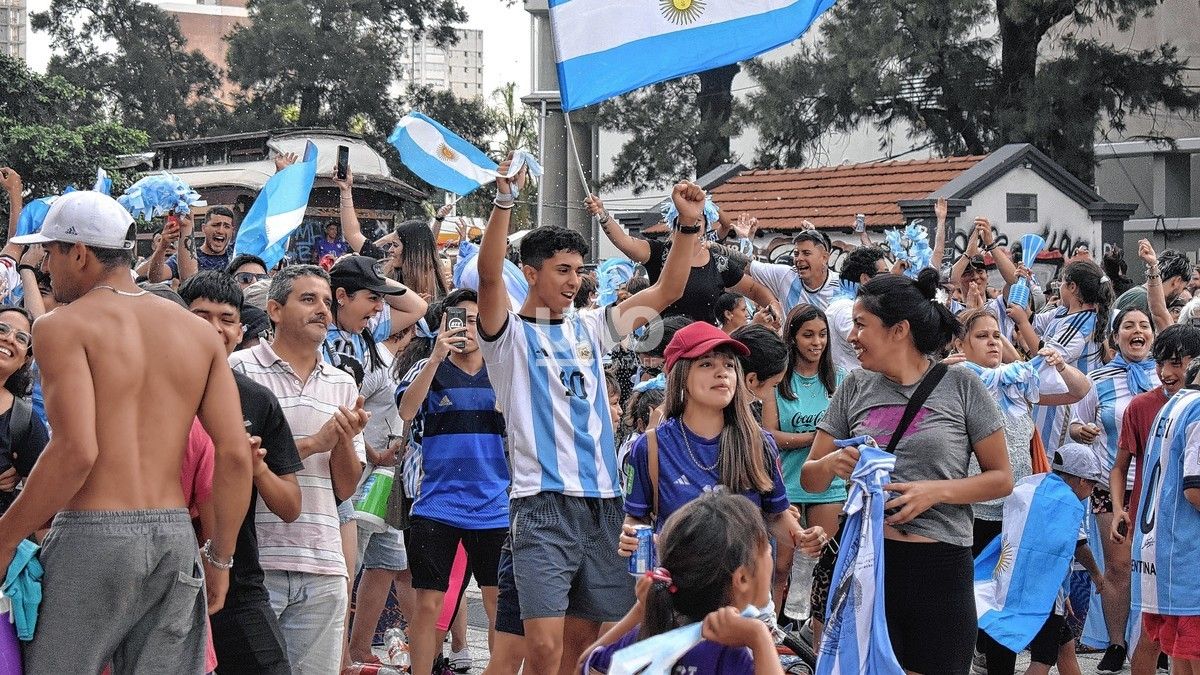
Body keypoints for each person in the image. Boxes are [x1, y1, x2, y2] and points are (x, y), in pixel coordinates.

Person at [0, 191, 252, 672]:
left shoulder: (62, 326)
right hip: (174, 536)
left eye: (49, 253)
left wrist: (5, 536)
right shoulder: (198, 333)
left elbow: (76, 451)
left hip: (94, 536)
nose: (47, 267)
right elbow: (235, 455)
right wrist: (221, 558)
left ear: (79, 252)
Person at [477, 161, 702, 674]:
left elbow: (667, 291)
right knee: (543, 651)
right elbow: (490, 273)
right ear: (531, 273)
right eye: (563, 270)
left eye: (580, 271)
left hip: (604, 503)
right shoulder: (507, 335)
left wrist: (689, 224)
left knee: (583, 649)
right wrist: (505, 201)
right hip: (542, 504)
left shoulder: (592, 327)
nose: (575, 281)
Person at [803, 268, 1012, 675]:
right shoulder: (854, 387)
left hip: (940, 567)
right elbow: (812, 477)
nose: (850, 337)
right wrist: (832, 464)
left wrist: (934, 493)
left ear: (898, 330)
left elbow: (1001, 478)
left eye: (861, 325)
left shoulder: (962, 386)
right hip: (869, 566)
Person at [228, 264, 369, 674]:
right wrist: (313, 443)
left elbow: (345, 486)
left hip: (323, 561)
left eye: (327, 302)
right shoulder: (239, 370)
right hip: (256, 563)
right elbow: (233, 459)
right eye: (308, 300)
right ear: (274, 309)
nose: (322, 310)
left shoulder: (343, 383)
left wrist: (343, 439)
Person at [179, 271, 304, 674]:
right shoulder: (146, 390)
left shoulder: (257, 401)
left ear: (239, 330)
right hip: (163, 571)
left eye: (226, 319)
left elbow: (290, 506)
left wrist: (256, 468)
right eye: (200, 315)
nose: (214, 329)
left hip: (237, 575)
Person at [397, 288, 509, 675]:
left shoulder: (504, 368)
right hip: (436, 503)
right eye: (458, 320)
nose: (468, 329)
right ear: (444, 323)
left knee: (498, 605)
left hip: (495, 504)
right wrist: (435, 357)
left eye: (477, 320)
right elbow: (407, 411)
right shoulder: (428, 366)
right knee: (428, 603)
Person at [579, 493, 788, 675]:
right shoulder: (731, 651)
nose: (770, 556)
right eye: (767, 551)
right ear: (741, 579)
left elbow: (584, 665)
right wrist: (759, 639)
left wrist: (640, 611)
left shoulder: (651, 633)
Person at [1067, 306, 1159, 671]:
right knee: (1119, 569)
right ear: (1115, 335)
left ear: (1152, 334)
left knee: (1159, 567)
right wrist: (1082, 431)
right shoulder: (1098, 379)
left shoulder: (1165, 376)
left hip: (1157, 491)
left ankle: (1158, 644)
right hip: (1110, 487)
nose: (1137, 331)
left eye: (1144, 326)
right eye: (1128, 326)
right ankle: (1117, 643)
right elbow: (1074, 423)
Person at [1110, 324, 1200, 675]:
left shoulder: (1173, 405)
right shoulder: (1188, 407)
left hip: (1161, 547)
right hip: (1183, 551)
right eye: (1162, 362)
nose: (1166, 372)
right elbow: (1194, 490)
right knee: (1173, 648)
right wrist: (1119, 508)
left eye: (1175, 362)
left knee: (1176, 651)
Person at [761, 303, 846, 640]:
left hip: (829, 486)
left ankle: (815, 633)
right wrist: (817, 438)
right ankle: (776, 633)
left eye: (822, 335)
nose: (817, 342)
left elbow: (847, 430)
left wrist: (822, 443)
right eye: (808, 335)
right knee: (782, 565)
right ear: (793, 338)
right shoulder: (779, 381)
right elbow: (770, 435)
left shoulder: (838, 379)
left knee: (821, 563)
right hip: (788, 484)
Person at [584, 194, 780, 325]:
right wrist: (602, 214)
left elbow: (754, 289)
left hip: (706, 349)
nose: (693, 227)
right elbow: (625, 242)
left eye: (698, 222)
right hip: (665, 348)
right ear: (675, 224)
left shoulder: (718, 263)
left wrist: (774, 307)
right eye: (686, 220)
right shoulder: (658, 252)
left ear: (705, 227)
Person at [1129, 362, 1200, 675]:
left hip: (1164, 555)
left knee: (1180, 660)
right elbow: (1195, 490)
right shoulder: (1197, 411)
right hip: (1188, 558)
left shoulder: (1174, 404)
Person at [1014, 259, 1113, 458]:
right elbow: (1032, 320)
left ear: (1072, 287)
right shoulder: (1062, 312)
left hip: (1066, 409)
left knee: (1054, 461)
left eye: (1061, 283)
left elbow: (1046, 356)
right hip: (1050, 402)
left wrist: (1022, 323)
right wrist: (1021, 282)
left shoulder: (1082, 322)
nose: (1058, 288)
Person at [0, 306, 47, 515]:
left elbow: (40, 511)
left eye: (21, 338)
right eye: (2, 329)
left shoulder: (24, 422)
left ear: (25, 360)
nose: (10, 339)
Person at [824, 246, 890, 373]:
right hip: (852, 387)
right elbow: (873, 345)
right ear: (865, 279)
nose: (888, 280)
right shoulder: (845, 308)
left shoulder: (855, 305)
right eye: (885, 274)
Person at [747, 229, 840, 314]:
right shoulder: (786, 275)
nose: (799, 258)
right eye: (796, 253)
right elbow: (746, 265)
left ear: (824, 258)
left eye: (806, 253)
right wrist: (744, 240)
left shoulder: (842, 285)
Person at [150, 206, 239, 282]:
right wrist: (162, 247)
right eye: (215, 225)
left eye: (226, 226)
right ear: (203, 228)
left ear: (232, 231)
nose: (220, 231)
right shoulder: (185, 257)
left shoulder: (236, 258)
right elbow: (155, 278)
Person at [1115, 248, 1191, 318]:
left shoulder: (1140, 296)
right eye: (1183, 288)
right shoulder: (1142, 299)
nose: (1181, 293)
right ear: (1177, 281)